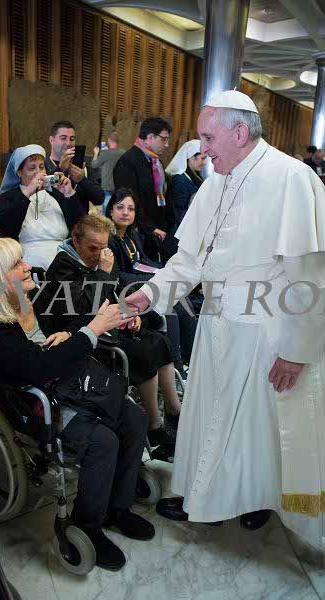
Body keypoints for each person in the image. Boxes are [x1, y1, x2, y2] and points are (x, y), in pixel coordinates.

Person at [126, 90, 325, 548]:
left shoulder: (292, 178)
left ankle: (253, 499)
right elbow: (189, 259)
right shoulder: (217, 180)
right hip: (217, 325)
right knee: (213, 420)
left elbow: (311, 280)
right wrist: (150, 294)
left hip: (266, 334)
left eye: (208, 137)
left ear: (239, 132)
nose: (202, 148)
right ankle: (210, 499)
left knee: (255, 429)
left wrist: (296, 353)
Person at [0, 236, 155, 571]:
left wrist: (79, 331)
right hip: (35, 404)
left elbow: (69, 327)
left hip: (67, 384)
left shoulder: (29, 299)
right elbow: (39, 368)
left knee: (134, 417)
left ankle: (117, 508)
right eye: (17, 264)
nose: (27, 266)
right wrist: (89, 332)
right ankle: (86, 526)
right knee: (103, 442)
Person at [44, 214, 182, 446]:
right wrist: (103, 274)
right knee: (143, 354)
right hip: (84, 333)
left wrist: (130, 312)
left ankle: (173, 409)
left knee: (159, 341)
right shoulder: (63, 266)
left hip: (112, 322)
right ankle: (154, 426)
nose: (99, 254)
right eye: (92, 248)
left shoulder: (104, 256)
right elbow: (83, 310)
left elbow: (117, 290)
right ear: (76, 241)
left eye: (104, 248)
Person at [106, 187, 197, 378]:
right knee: (170, 309)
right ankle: (177, 369)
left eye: (131, 209)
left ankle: (191, 358)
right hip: (128, 292)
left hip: (144, 285)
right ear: (110, 210)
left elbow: (143, 261)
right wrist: (151, 279)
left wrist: (163, 271)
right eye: (120, 207)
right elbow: (118, 275)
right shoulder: (109, 239)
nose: (125, 213)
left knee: (181, 298)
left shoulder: (132, 234)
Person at [0, 144, 88, 270]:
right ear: (19, 172)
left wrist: (69, 194)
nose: (38, 172)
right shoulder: (8, 197)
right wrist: (28, 192)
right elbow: (5, 226)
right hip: (26, 263)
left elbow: (82, 227)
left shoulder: (56, 194)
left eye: (41, 167)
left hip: (64, 261)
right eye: (31, 168)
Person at [113, 117, 175, 245]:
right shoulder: (128, 161)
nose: (167, 144)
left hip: (158, 230)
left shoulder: (156, 162)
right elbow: (129, 202)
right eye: (164, 139)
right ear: (150, 137)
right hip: (139, 233)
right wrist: (149, 228)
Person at [46, 120, 104, 206]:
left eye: (72, 139)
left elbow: (99, 199)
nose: (68, 143)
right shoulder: (42, 164)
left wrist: (82, 180)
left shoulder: (84, 164)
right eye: (63, 138)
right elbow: (43, 186)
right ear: (51, 140)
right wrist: (60, 169)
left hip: (80, 214)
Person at [165, 140, 206, 227]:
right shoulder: (180, 179)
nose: (204, 163)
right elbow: (178, 212)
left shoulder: (196, 174)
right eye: (202, 158)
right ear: (191, 157)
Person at [91, 132, 125, 215]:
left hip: (107, 185)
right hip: (120, 185)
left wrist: (96, 153)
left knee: (106, 206)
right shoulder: (124, 153)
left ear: (109, 140)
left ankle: (105, 220)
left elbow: (94, 165)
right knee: (117, 205)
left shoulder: (105, 153)